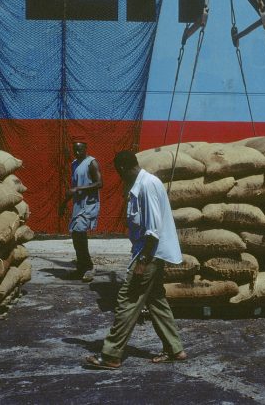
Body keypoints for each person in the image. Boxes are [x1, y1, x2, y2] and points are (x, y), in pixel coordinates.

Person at [85, 150, 187, 369]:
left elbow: (153, 231)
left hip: (149, 255)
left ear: (121, 169)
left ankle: (111, 355)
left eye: (118, 173)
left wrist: (142, 263)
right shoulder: (141, 185)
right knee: (156, 301)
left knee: (127, 301)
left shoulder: (147, 186)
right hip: (150, 254)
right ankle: (174, 349)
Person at [59, 139, 102, 282]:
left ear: (86, 148)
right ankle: (82, 267)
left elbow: (99, 183)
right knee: (76, 237)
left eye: (80, 149)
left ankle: (89, 267)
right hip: (78, 205)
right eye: (75, 150)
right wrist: (64, 204)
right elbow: (73, 188)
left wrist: (79, 188)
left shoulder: (92, 163)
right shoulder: (74, 164)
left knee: (79, 233)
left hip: (89, 204)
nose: (77, 152)